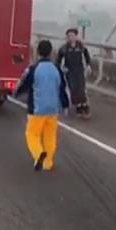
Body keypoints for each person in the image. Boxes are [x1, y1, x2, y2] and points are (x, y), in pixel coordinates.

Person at [14, 40, 69, 171]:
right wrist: (65, 104)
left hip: (37, 109)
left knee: (32, 134)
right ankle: (47, 163)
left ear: (38, 52)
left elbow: (24, 84)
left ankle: (38, 154)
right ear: (51, 53)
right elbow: (62, 88)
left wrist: (15, 93)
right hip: (53, 109)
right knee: (50, 137)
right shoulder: (57, 69)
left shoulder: (33, 69)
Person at [57, 28, 93, 118]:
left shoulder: (81, 46)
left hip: (79, 70)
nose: (71, 37)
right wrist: (61, 68)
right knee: (73, 89)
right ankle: (78, 107)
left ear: (76, 36)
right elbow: (58, 59)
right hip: (70, 71)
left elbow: (86, 55)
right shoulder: (64, 47)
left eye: (72, 35)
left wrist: (88, 65)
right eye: (69, 36)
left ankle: (85, 107)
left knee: (81, 88)